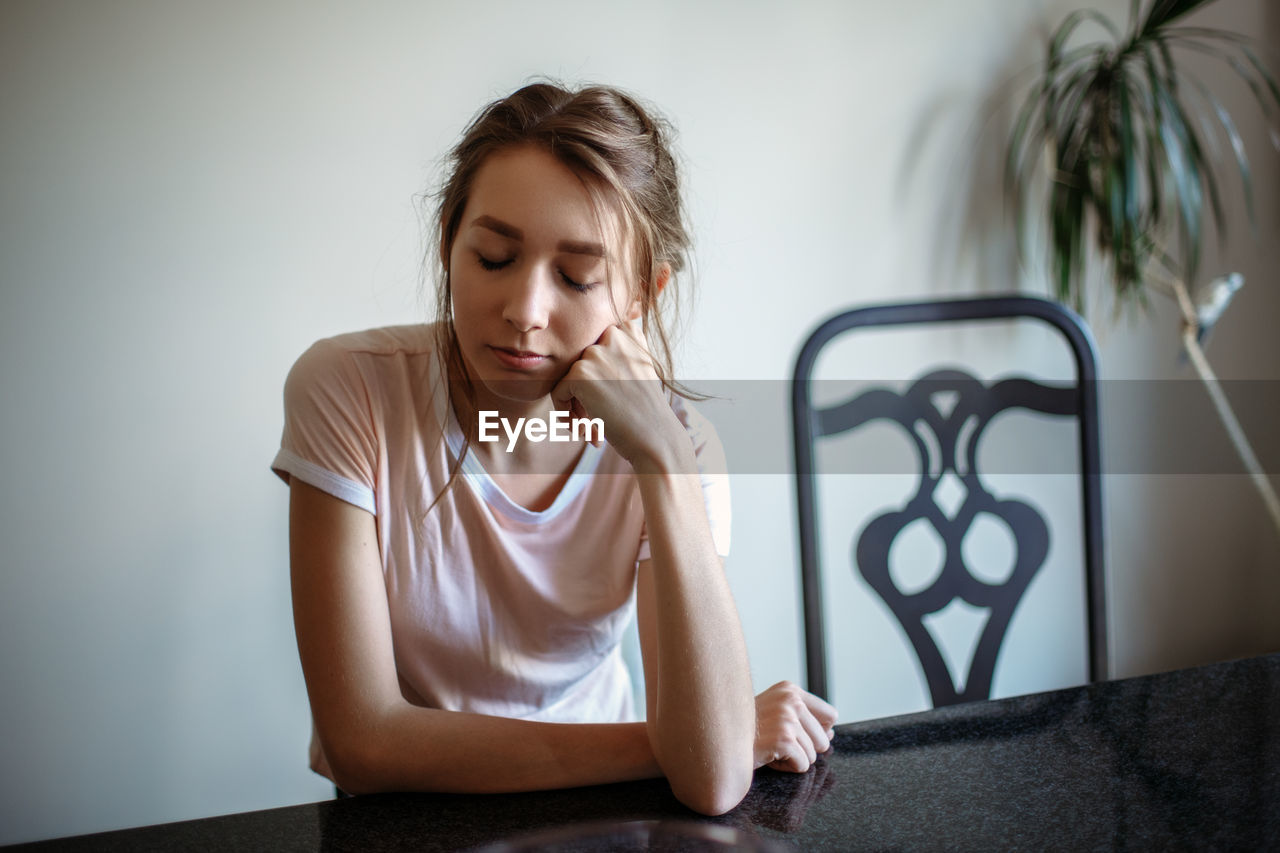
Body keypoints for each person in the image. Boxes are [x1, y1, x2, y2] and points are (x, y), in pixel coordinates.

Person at [271, 81, 837, 816]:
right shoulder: (348, 390)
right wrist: (672, 742)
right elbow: (364, 742)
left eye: (577, 277)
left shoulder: (679, 445)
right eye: (495, 257)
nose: (524, 313)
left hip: (607, 818)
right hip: (411, 815)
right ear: (449, 241)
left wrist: (663, 458)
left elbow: (713, 782)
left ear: (642, 293)